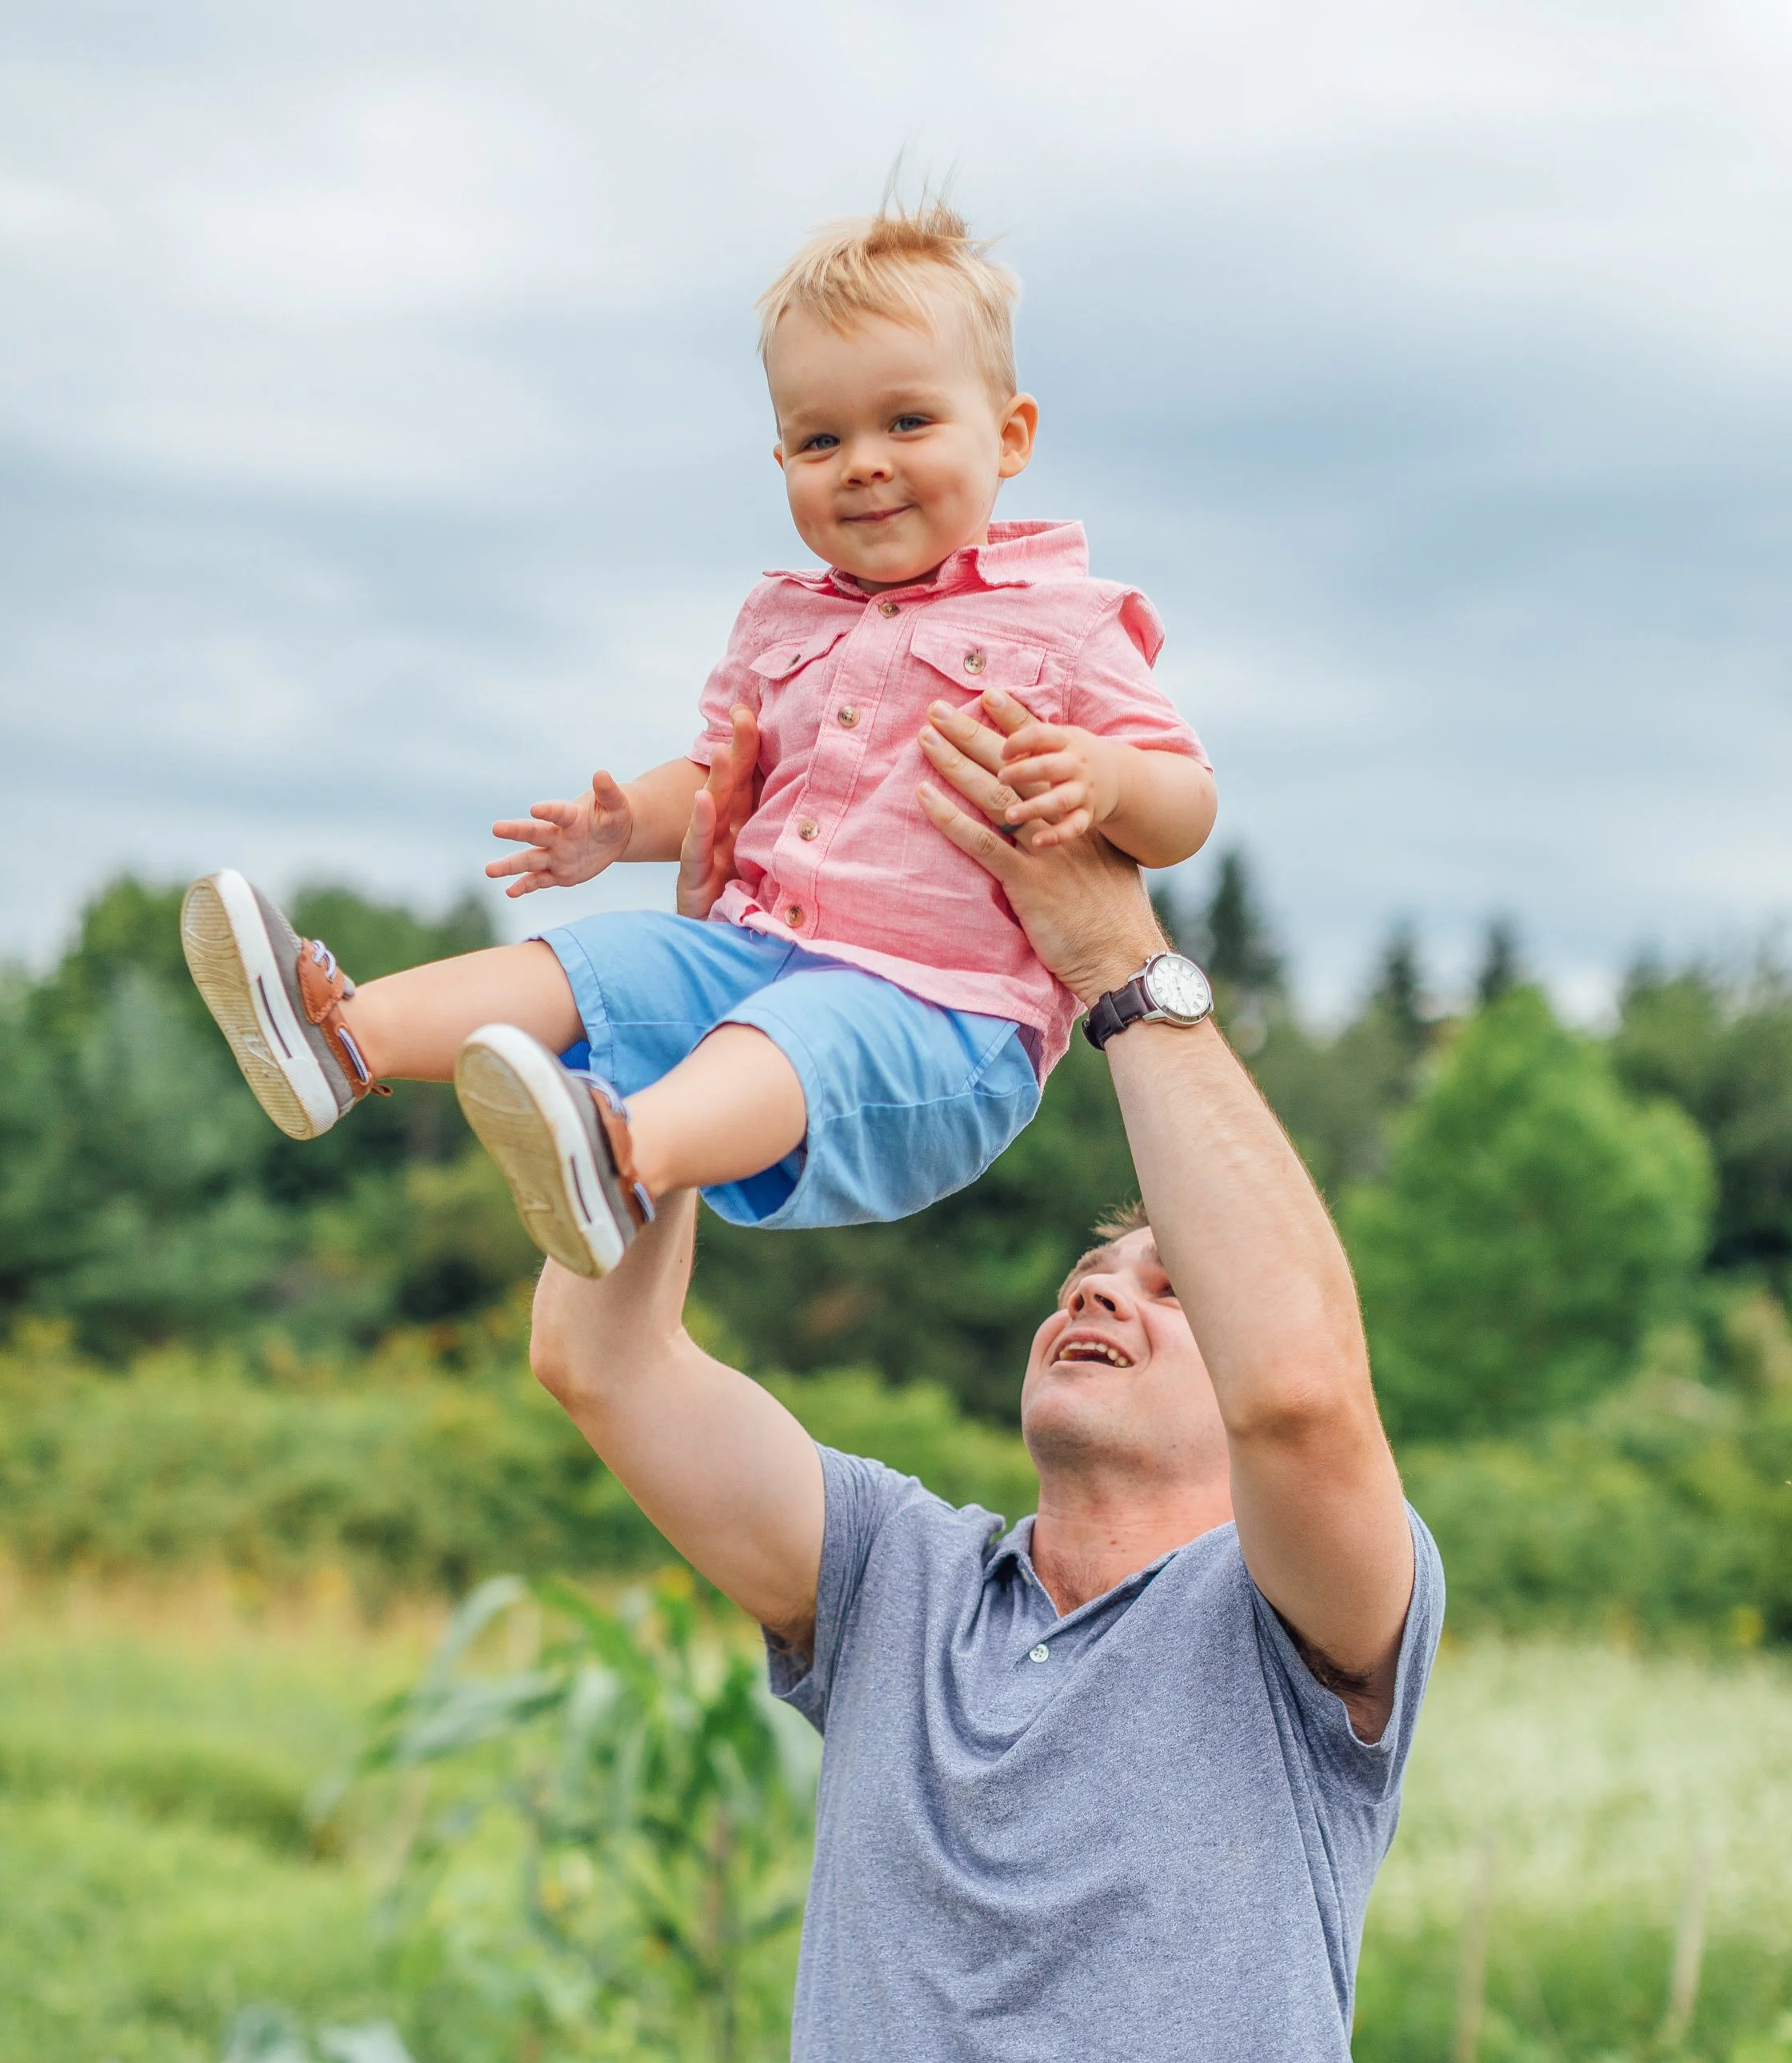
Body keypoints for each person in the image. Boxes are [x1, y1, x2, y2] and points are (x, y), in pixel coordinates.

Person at [528, 699, 1443, 2063]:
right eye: (1092, 1272)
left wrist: (1110, 951)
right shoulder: (893, 1582)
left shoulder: (1306, 1638)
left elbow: (1304, 1389)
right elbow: (606, 1366)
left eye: (1169, 1288)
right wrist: (706, 1004)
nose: (1104, 1288)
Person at [178, 199, 1214, 1277]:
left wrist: (1106, 778)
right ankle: (346, 1038)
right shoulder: (782, 618)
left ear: (1010, 436)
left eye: (907, 422)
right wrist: (623, 824)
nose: (863, 463)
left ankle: (625, 1159)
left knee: (800, 1032)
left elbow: (1187, 800)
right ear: (782, 458)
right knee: (606, 960)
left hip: (941, 1021)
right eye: (821, 440)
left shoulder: (1068, 620)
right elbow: (724, 774)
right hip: (759, 954)